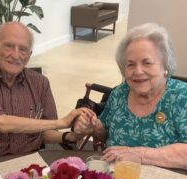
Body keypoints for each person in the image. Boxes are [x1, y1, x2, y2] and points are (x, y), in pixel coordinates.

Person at [0, 22, 92, 159]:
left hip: (28, 160)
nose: (16, 55)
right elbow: (2, 123)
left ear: (29, 55)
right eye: (9, 46)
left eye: (23, 49)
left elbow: (45, 132)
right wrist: (62, 122)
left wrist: (69, 136)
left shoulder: (40, 83)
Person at [74, 22, 187, 169]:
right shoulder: (119, 93)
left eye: (147, 63)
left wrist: (139, 155)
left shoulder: (181, 97)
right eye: (131, 64)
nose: (138, 71)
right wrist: (94, 126)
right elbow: (104, 134)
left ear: (165, 65)